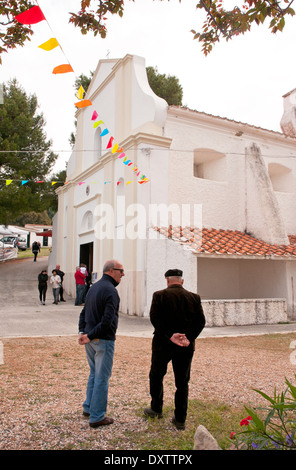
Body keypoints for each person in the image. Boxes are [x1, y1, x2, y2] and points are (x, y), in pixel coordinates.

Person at [144, 269, 205, 430]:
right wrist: (188, 338)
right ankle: (180, 419)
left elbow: (155, 318)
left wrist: (169, 335)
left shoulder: (159, 295)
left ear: (167, 280)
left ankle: (156, 408)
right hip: (185, 347)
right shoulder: (194, 297)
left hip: (162, 344)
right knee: (182, 382)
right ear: (182, 281)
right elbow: (201, 322)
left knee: (156, 376)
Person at [78, 259, 125, 428]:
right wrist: (89, 335)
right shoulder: (111, 291)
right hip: (102, 340)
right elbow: (107, 321)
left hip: (90, 339)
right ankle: (97, 416)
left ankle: (89, 407)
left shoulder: (93, 288)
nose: (123, 274)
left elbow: (83, 313)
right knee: (102, 378)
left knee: (94, 374)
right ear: (111, 271)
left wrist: (83, 333)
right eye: (121, 271)